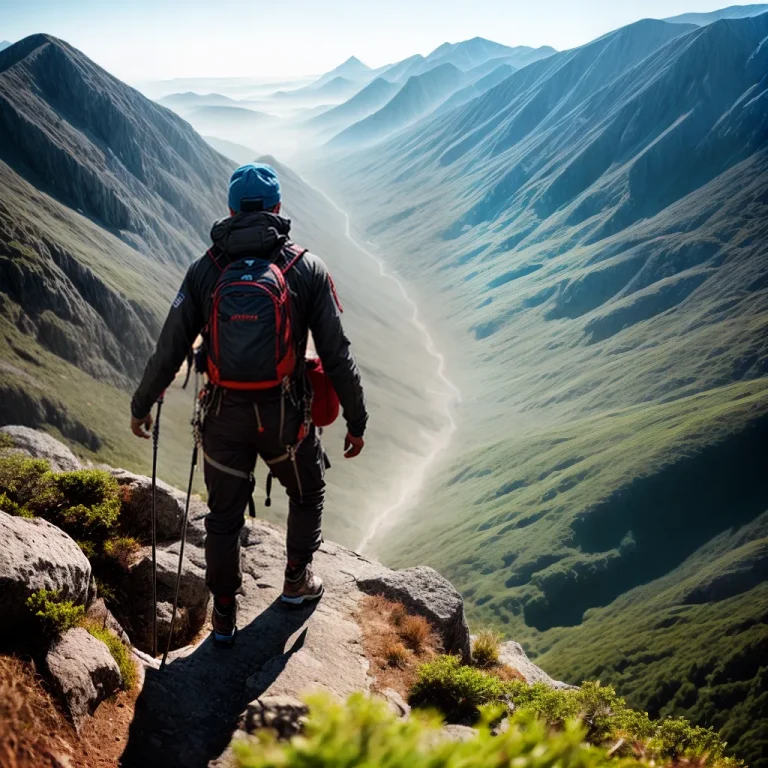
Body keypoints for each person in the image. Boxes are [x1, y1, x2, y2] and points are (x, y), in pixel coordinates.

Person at [129, 163, 367, 644]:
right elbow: (337, 354)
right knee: (306, 493)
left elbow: (170, 346)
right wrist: (356, 420)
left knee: (223, 517)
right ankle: (296, 581)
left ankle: (222, 614)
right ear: (278, 208)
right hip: (286, 416)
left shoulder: (206, 269)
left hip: (221, 416)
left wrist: (142, 404)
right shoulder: (306, 268)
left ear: (232, 209)